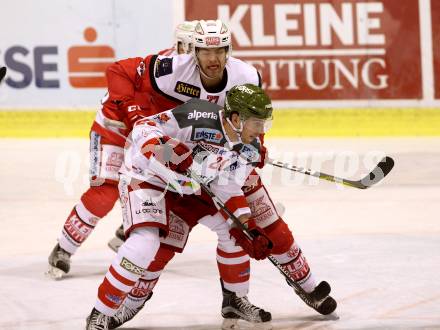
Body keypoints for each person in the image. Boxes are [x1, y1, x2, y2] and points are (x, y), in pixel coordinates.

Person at [85, 84, 276, 329]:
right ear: (237, 119)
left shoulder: (246, 149)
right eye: (257, 124)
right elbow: (143, 128)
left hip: (187, 190)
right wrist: (166, 149)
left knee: (234, 231)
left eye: (264, 124)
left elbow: (227, 187)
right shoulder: (198, 115)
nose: (261, 131)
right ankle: (100, 313)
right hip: (147, 177)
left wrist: (247, 225)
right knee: (145, 243)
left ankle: (235, 298)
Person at [46, 20, 198, 280]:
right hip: (115, 128)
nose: (207, 57)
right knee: (105, 191)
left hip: (149, 134)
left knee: (178, 186)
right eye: (198, 48)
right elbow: (121, 82)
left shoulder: (208, 75)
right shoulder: (162, 69)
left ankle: (127, 235)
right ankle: (63, 248)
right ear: (182, 45)